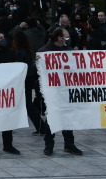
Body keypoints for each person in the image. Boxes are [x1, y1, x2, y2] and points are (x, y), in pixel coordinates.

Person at [37, 27, 83, 156]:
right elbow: (39, 72)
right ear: (59, 38)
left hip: (66, 90)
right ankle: (49, 145)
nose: (68, 39)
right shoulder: (44, 52)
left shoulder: (68, 51)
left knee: (67, 117)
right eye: (66, 36)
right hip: (52, 91)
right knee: (52, 117)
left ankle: (69, 144)